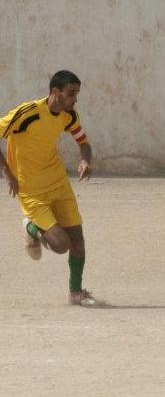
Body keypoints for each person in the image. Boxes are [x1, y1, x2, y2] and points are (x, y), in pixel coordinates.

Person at [0, 70, 100, 306]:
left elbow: (83, 142)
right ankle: (30, 228)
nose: (75, 99)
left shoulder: (69, 116)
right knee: (61, 244)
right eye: (71, 94)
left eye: (76, 94)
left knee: (78, 241)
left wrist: (85, 160)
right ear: (55, 92)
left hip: (58, 184)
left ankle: (76, 293)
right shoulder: (27, 114)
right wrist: (7, 173)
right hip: (32, 191)